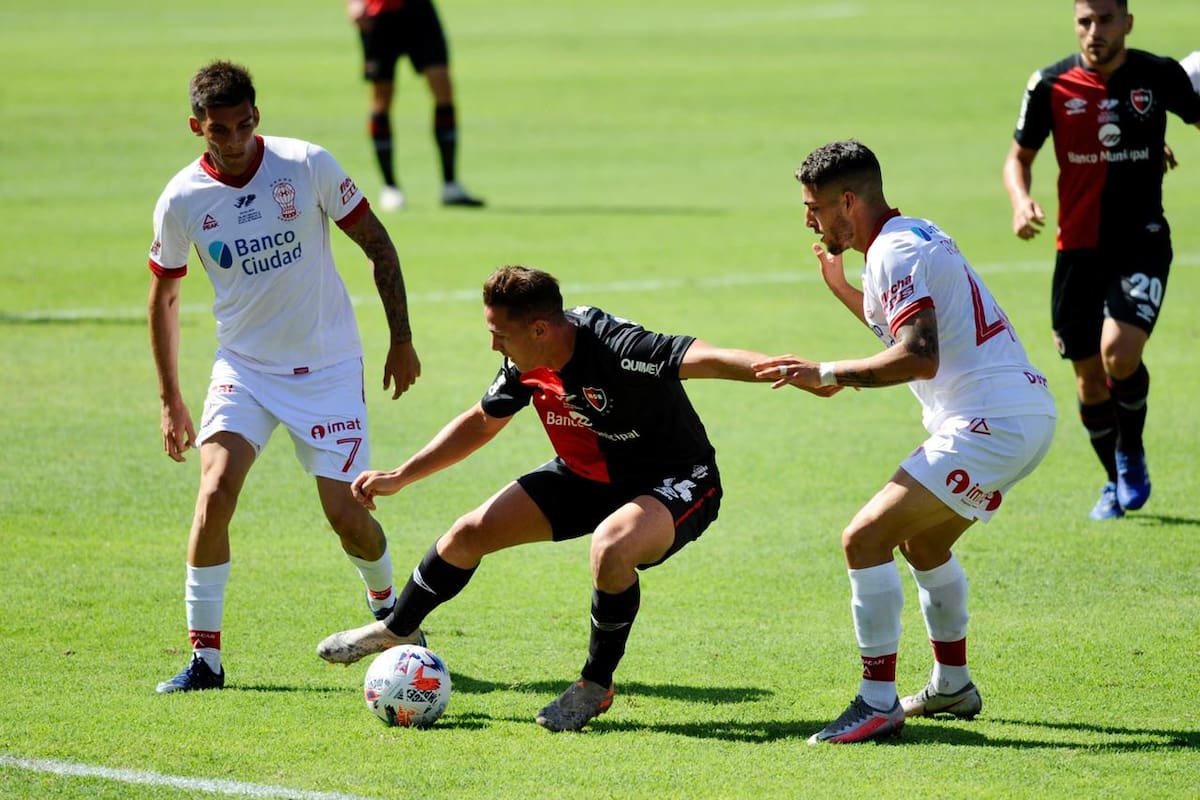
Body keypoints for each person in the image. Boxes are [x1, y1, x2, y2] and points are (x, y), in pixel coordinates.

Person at [315, 265, 790, 731]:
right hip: (587, 477)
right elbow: (483, 420)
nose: (493, 345)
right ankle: (397, 627)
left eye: (500, 334)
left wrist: (799, 371)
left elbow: (705, 357)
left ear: (540, 329)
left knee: (612, 547)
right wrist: (401, 476)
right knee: (468, 533)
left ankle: (595, 684)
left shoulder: (616, 347)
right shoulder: (526, 361)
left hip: (676, 478)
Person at [755, 140, 1057, 744]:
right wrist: (845, 290)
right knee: (922, 543)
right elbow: (901, 330)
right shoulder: (912, 234)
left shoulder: (893, 253)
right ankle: (952, 685)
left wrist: (829, 373)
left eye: (814, 206)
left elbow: (918, 357)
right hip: (1023, 411)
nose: (807, 219)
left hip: (989, 421)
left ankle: (876, 702)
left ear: (847, 201)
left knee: (864, 539)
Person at [147, 60, 422, 693]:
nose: (236, 140)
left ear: (257, 117)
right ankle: (205, 660)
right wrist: (171, 400)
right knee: (214, 493)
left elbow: (379, 245)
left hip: (327, 367)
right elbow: (163, 300)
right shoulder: (183, 199)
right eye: (220, 130)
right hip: (243, 370)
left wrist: (400, 340)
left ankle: (393, 618)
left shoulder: (306, 165)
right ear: (198, 127)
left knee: (346, 513)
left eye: (244, 125)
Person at [1002, 0, 1200, 520]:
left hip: (1142, 239)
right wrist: (1022, 202)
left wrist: (1157, 141)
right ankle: (1114, 480)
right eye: (1085, 22)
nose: (1095, 32)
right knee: (1089, 377)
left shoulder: (1159, 76)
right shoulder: (1050, 84)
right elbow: (1018, 158)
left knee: (1120, 351)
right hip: (1077, 250)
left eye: (1106, 20)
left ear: (1127, 23)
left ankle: (1130, 451)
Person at [346, 0, 484, 210]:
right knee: (382, 97)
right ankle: (390, 187)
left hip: (418, 10)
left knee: (443, 87)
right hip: (378, 13)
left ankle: (450, 185)